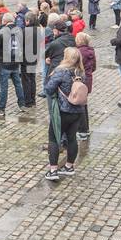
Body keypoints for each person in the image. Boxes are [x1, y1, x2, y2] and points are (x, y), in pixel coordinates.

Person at [44, 47, 86, 181]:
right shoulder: (80, 72)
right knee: (72, 138)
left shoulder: (61, 71)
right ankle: (69, 167)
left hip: (62, 111)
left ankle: (53, 170)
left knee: (54, 139)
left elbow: (48, 90)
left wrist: (49, 78)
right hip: (78, 111)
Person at [0, 11, 25, 117]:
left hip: (4, 63)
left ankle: (1, 109)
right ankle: (22, 105)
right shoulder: (19, 31)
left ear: (4, 21)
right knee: (18, 84)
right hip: (16, 62)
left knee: (3, 86)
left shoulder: (2, 31)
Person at [75, 32, 96, 141]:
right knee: (84, 104)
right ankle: (85, 129)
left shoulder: (79, 52)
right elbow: (94, 67)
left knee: (80, 106)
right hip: (88, 79)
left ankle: (82, 131)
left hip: (81, 80)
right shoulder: (91, 51)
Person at [43, 17, 76, 86]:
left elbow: (46, 55)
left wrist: (48, 59)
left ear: (55, 30)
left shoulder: (55, 43)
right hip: (70, 71)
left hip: (56, 72)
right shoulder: (72, 38)